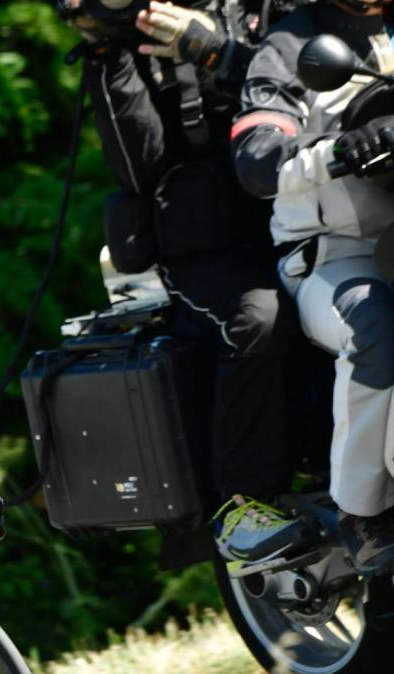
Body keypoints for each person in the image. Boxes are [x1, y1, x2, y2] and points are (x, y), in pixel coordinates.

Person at [58, 0, 312, 562]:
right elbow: (139, 165)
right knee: (259, 318)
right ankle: (244, 503)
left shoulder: (282, 12)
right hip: (211, 245)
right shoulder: (139, 29)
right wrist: (110, 52)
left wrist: (215, 51)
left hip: (316, 203)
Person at [231, 0, 394, 570]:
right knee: (376, 326)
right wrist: (340, 151)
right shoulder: (290, 46)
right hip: (336, 256)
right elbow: (256, 159)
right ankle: (364, 513)